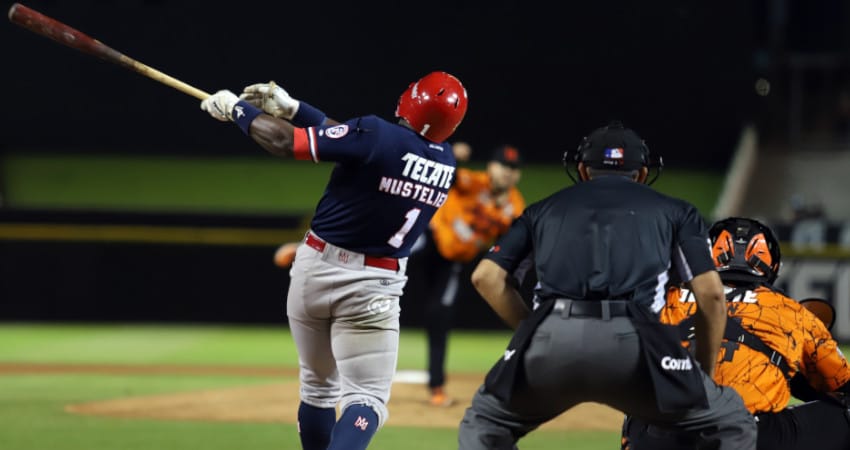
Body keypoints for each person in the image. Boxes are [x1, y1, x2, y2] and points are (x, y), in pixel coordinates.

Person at [200, 71, 468, 450]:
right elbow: (359, 143)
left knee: (318, 389)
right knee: (367, 398)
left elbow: (283, 142)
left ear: (412, 100)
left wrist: (237, 111)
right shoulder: (445, 163)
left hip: (313, 269)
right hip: (375, 286)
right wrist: (296, 109)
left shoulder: (377, 134)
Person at [456, 121, 756, 449]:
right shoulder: (677, 211)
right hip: (638, 344)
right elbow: (712, 294)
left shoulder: (541, 210)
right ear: (641, 174)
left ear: (583, 170)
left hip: (554, 336)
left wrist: (533, 331)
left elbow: (485, 277)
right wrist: (703, 375)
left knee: (484, 422)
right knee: (731, 421)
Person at [622, 216, 850, 450]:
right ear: (771, 266)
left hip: (661, 436)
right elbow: (841, 380)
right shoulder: (791, 311)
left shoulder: (667, 299)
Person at [413, 144, 525, 406]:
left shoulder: (514, 206)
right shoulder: (474, 182)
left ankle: (437, 387)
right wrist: (450, 155)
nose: (508, 172)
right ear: (491, 167)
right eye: (503, 166)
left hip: (452, 262)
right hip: (430, 239)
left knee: (440, 315)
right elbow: (445, 176)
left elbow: (514, 244)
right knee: (385, 252)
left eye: (513, 169)